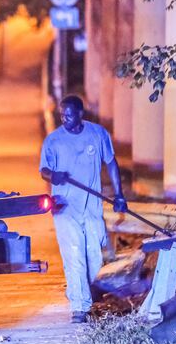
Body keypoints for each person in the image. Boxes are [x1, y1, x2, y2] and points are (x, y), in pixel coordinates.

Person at [39, 95, 127, 323]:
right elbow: (44, 171)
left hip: (92, 206)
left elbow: (111, 163)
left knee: (94, 256)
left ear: (80, 114)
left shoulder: (98, 134)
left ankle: (83, 294)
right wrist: (53, 176)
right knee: (74, 254)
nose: (63, 118)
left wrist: (119, 194)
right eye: (61, 114)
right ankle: (79, 307)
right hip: (65, 207)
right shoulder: (53, 141)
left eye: (68, 114)